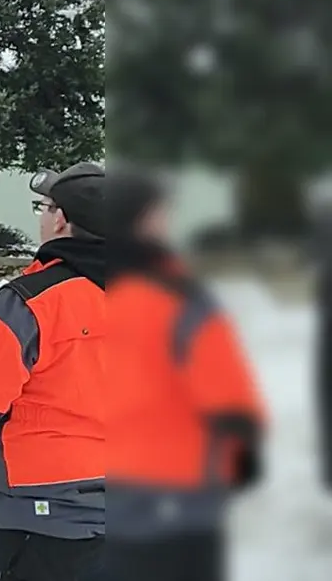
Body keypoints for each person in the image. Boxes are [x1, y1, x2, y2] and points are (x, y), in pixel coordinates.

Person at [0, 162, 107, 580]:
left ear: (62, 220)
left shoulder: (29, 302)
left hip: (37, 516)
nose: (42, 215)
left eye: (44, 206)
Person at [103, 167, 266, 581]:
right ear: (146, 219)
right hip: (182, 493)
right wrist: (246, 452)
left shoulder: (92, 291)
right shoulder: (179, 299)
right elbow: (230, 399)